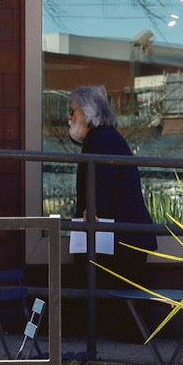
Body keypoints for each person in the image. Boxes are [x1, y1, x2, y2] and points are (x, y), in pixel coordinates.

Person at [68, 86, 156, 289]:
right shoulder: (105, 137)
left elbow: (104, 176)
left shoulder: (103, 140)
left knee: (110, 302)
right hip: (123, 241)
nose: (70, 117)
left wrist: (93, 208)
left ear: (88, 113)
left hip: (120, 244)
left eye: (73, 111)